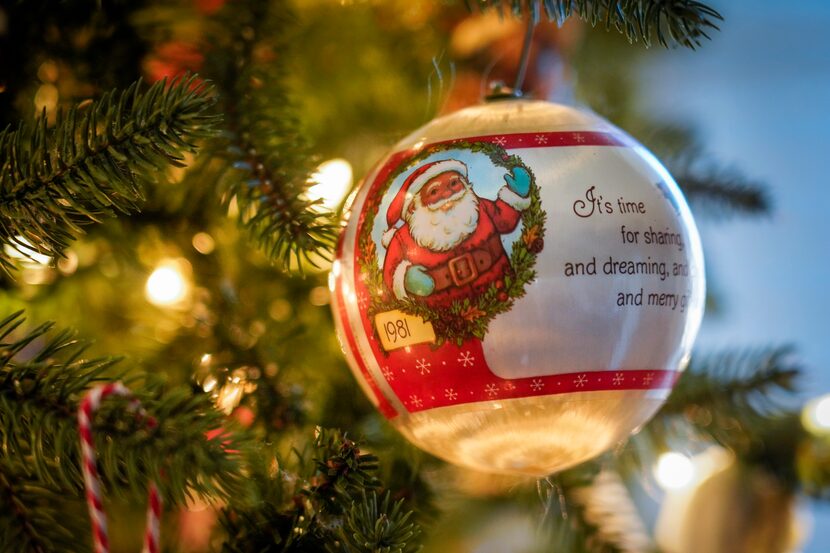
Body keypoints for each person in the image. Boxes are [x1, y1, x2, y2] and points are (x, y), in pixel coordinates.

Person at [381, 158, 531, 308]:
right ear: (414, 206)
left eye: (453, 183)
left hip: (500, 289)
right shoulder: (403, 239)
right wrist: (406, 279)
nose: (447, 193)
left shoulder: (477, 207)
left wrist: (516, 194)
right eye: (434, 191)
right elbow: (390, 272)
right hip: (447, 314)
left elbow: (503, 220)